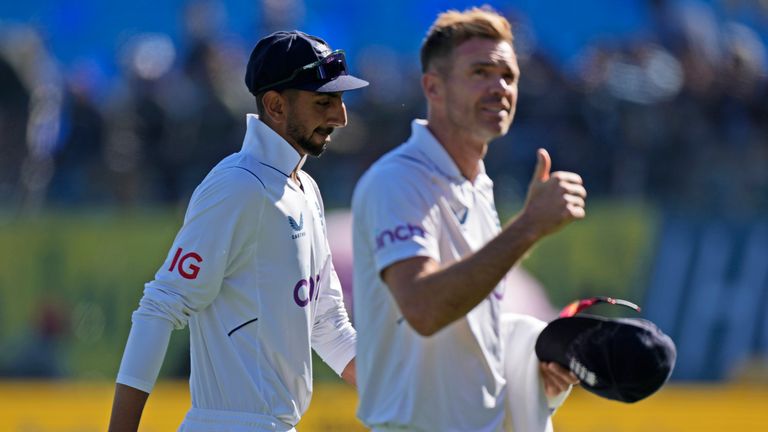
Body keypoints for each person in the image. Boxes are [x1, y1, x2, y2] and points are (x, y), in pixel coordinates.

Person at [108, 30, 368, 432]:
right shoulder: (237, 186)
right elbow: (159, 308)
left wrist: (406, 399)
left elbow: (327, 325)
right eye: (323, 102)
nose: (340, 117)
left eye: (340, 100)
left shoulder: (305, 189)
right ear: (276, 105)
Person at [351, 7, 586, 431]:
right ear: (433, 87)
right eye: (480, 72)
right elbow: (423, 307)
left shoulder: (477, 186)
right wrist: (529, 225)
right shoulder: (398, 180)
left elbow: (464, 333)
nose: (500, 88)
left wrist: (533, 374)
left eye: (509, 76)